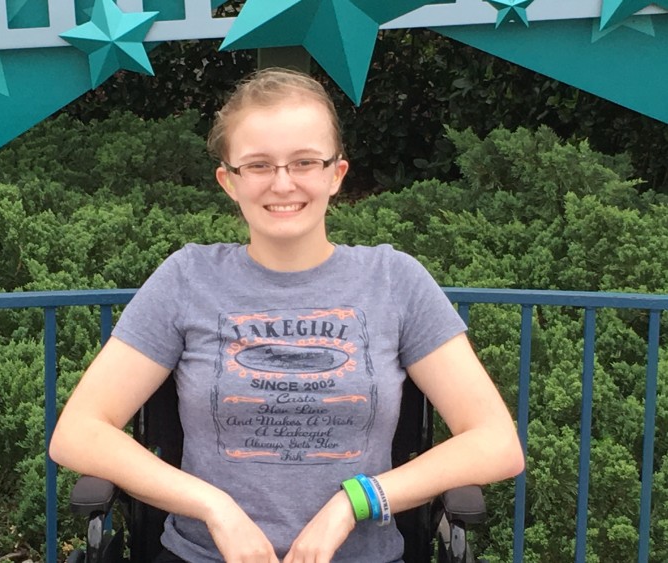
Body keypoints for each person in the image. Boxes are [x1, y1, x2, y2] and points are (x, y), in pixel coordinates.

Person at [49, 67, 525, 563]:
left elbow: (494, 442)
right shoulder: (186, 278)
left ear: (336, 173)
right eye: (257, 165)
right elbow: (79, 432)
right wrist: (215, 508)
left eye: (303, 162)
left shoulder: (394, 280)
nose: (282, 184)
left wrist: (354, 502)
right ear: (228, 181)